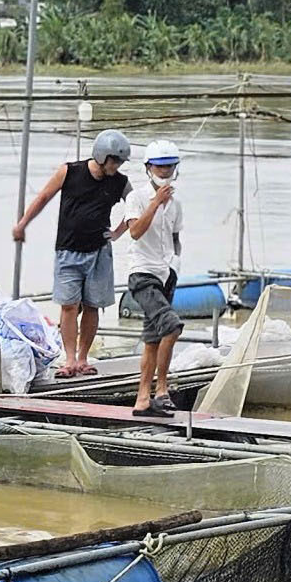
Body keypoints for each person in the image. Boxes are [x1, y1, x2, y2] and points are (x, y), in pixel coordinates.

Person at [13, 129, 133, 377]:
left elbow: (136, 206)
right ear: (102, 156)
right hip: (68, 250)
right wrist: (23, 224)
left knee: (92, 305)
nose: (117, 166)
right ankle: (68, 360)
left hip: (99, 251)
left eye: (120, 162)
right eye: (115, 160)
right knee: (69, 305)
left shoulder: (119, 182)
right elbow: (44, 197)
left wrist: (119, 232)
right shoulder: (70, 171)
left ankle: (82, 358)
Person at [122, 139, 185, 418]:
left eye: (169, 166)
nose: (165, 171)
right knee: (172, 326)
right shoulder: (136, 197)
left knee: (153, 339)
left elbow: (175, 238)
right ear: (148, 168)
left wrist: (174, 263)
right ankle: (162, 391)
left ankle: (142, 400)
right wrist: (156, 202)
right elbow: (135, 232)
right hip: (142, 274)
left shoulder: (176, 203)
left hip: (165, 274)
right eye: (159, 167)